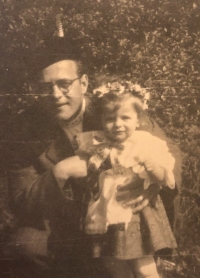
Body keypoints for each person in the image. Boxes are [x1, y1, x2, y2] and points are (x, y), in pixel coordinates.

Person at [2, 36, 181, 278]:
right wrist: (59, 173)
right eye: (46, 87)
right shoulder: (23, 128)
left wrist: (153, 185)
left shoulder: (112, 109)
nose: (55, 95)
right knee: (25, 245)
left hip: (121, 214)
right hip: (64, 224)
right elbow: (22, 200)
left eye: (64, 83)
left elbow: (167, 149)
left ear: (83, 83)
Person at [74, 79, 177, 278]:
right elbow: (84, 169)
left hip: (135, 213)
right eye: (110, 119)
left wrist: (154, 167)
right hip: (103, 212)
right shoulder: (96, 142)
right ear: (102, 120)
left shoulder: (145, 143)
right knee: (113, 265)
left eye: (125, 118)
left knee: (144, 267)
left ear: (138, 120)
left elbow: (164, 177)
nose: (118, 124)